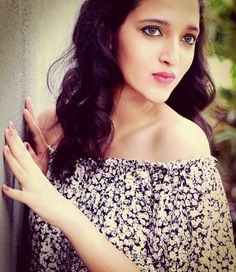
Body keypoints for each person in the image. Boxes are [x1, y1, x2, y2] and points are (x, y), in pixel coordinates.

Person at [2, 0, 236, 271]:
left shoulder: (181, 145)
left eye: (187, 38)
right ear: (109, 34)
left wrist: (63, 212)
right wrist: (47, 177)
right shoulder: (55, 128)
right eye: (153, 30)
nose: (173, 56)